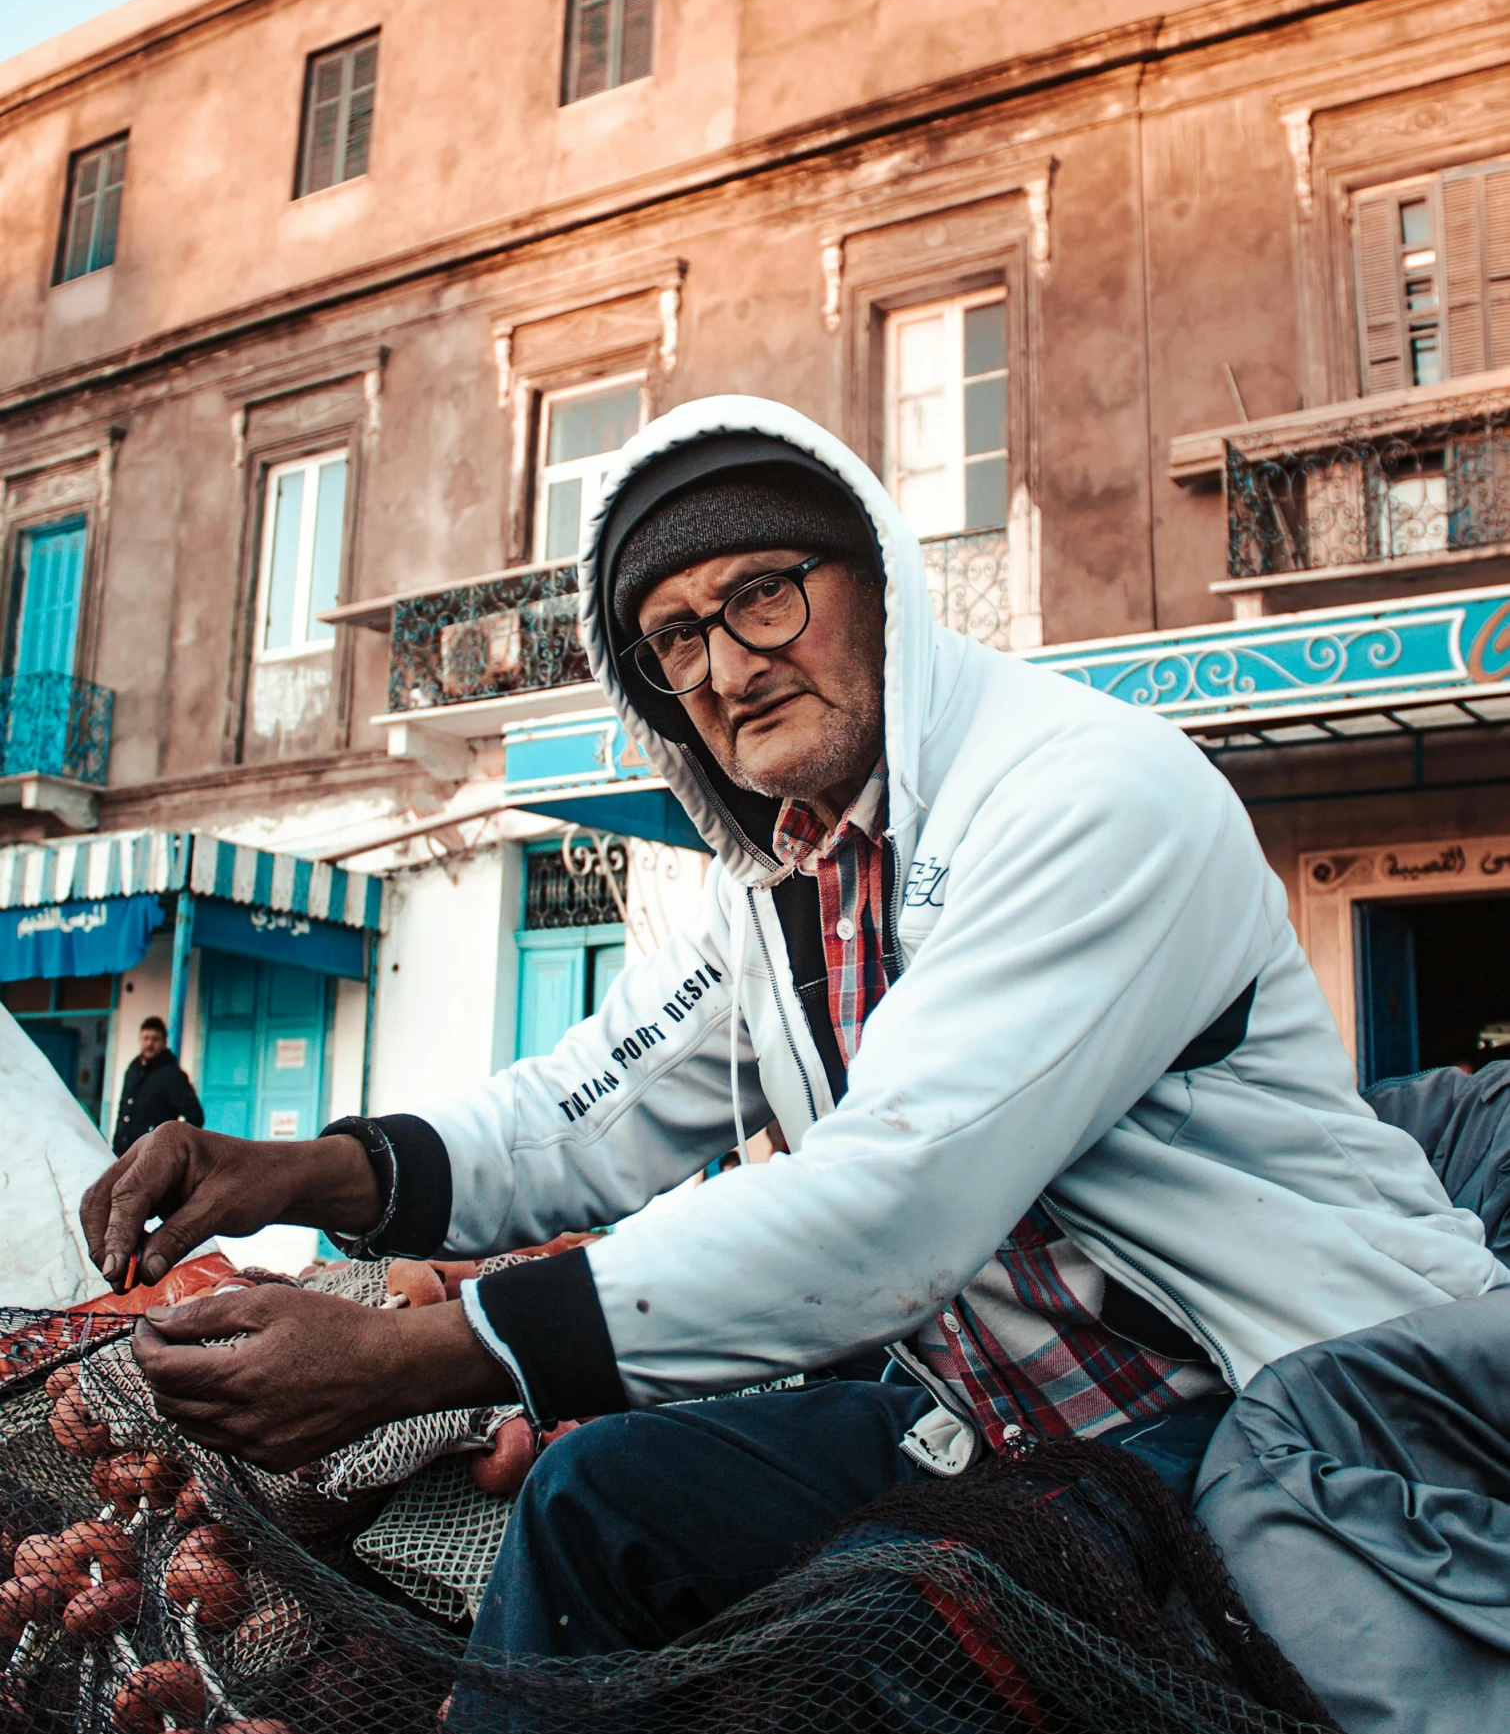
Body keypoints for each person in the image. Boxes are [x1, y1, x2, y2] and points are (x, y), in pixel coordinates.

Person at [80, 396, 1505, 1658]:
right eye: (674, 640)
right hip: (1018, 1432)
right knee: (598, 1499)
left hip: (1273, 1410)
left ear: (878, 585)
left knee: (878, 1646)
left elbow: (889, 1207)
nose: (726, 666)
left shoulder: (1081, 792)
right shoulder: (781, 889)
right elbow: (580, 1111)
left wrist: (418, 1359)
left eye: (762, 594)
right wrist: (293, 1172)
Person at [110, 1016, 203, 1158]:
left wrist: (173, 1147)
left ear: (164, 1042)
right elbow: (123, 1110)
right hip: (125, 1152)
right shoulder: (132, 1071)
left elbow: (195, 1117)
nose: (149, 1044)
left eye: (155, 1039)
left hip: (154, 1157)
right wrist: (116, 1144)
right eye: (145, 1038)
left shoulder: (172, 1075)